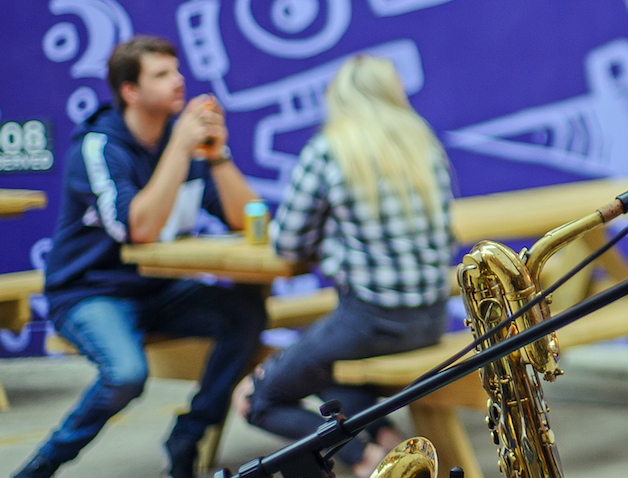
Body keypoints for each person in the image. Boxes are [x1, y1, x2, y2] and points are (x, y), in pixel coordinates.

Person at [14, 36, 267, 478]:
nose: (178, 81)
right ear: (130, 91)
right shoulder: (98, 147)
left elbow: (247, 219)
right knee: (126, 374)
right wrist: (178, 149)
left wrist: (218, 154)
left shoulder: (181, 143)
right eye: (162, 74)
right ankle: (42, 466)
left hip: (158, 289)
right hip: (90, 291)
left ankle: (188, 435)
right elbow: (140, 229)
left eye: (177, 70)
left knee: (245, 314)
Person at [236, 55, 454, 477]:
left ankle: (367, 462)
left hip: (369, 323)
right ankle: (391, 447)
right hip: (430, 321)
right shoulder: (423, 145)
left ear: (337, 97)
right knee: (334, 381)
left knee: (255, 399)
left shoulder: (331, 150)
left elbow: (288, 243)